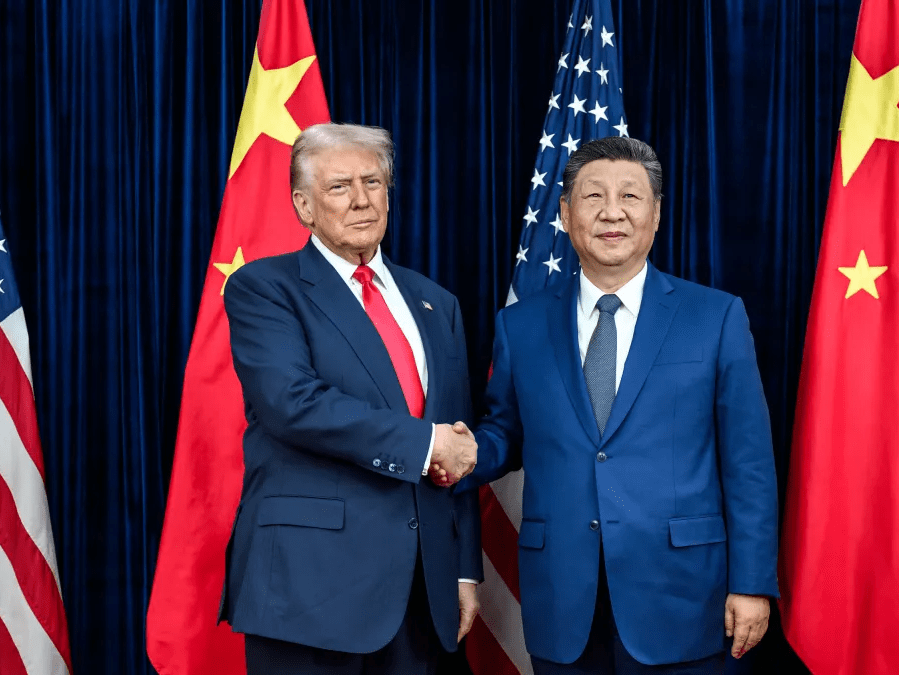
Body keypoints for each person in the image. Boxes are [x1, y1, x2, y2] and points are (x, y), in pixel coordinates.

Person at [451, 137, 778, 674]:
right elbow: (506, 435)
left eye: (630, 196)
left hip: (682, 595)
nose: (611, 212)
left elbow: (749, 466)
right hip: (561, 595)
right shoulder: (521, 324)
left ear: (654, 213)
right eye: (592, 196)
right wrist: (456, 453)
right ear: (564, 211)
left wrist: (752, 582)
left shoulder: (715, 317)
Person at [218, 122, 482, 675]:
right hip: (310, 590)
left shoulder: (437, 303)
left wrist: (461, 569)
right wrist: (424, 442)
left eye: (373, 182)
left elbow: (455, 444)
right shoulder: (264, 288)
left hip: (422, 594)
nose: (361, 200)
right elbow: (292, 402)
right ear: (304, 206)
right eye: (340, 186)